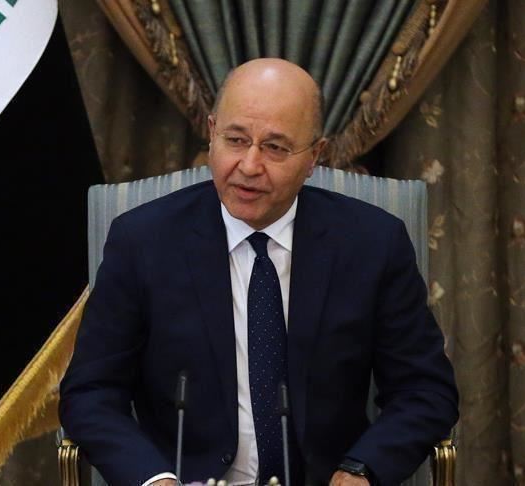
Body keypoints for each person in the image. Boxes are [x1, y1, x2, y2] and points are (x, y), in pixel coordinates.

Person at [59, 58, 458, 486]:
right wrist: (154, 479)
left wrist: (362, 470)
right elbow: (90, 393)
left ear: (314, 156)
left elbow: (425, 390)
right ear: (212, 133)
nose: (249, 166)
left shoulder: (372, 244)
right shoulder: (142, 242)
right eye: (235, 140)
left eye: (275, 147)